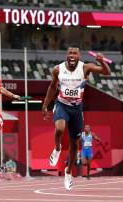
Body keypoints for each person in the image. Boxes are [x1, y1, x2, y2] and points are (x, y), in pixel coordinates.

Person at [42, 47, 110, 190]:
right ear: (67, 56)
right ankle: (57, 147)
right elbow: (52, 87)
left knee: (74, 144)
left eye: (75, 53)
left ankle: (68, 173)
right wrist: (45, 105)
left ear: (79, 56)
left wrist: (102, 61)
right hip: (62, 105)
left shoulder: (85, 68)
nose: (72, 55)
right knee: (60, 129)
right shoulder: (58, 69)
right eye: (70, 53)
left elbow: (106, 72)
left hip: (77, 109)